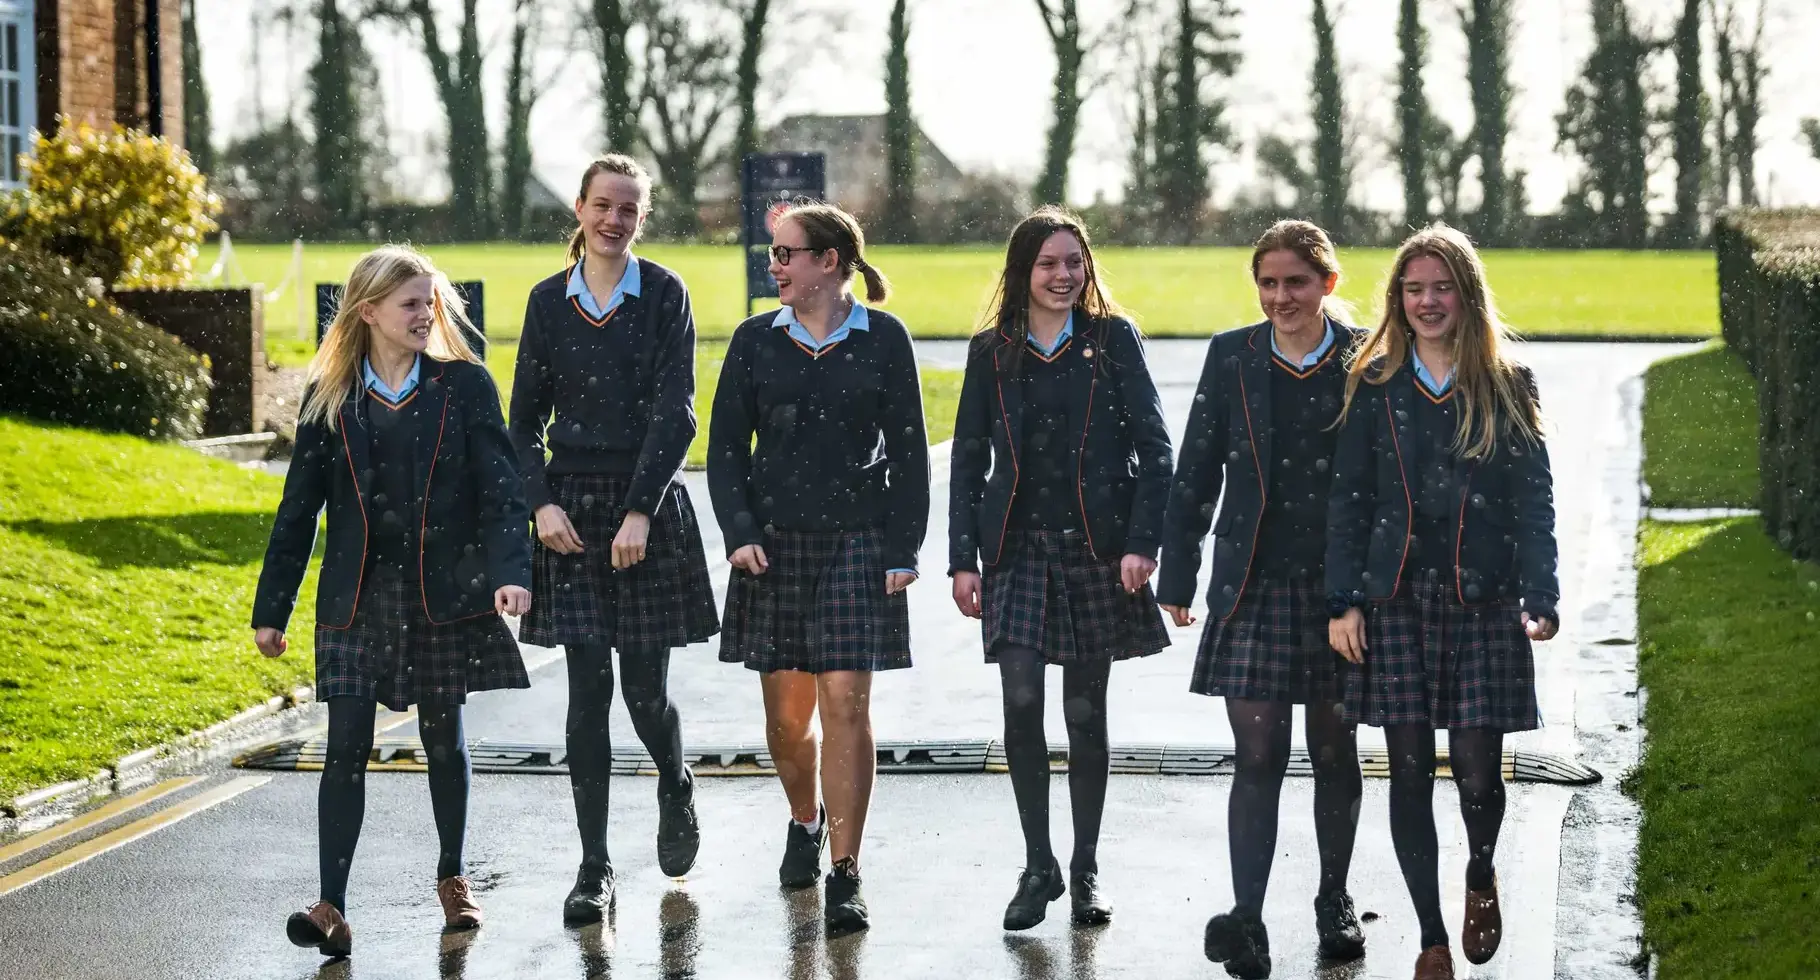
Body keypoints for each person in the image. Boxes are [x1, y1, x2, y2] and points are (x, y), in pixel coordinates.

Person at [252, 245, 532, 957]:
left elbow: (502, 490)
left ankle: (453, 882)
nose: (425, 313)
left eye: (429, 300)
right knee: (344, 746)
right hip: (357, 596)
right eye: (410, 302)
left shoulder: (464, 386)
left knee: (445, 738)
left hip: (447, 592)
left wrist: (510, 570)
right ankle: (331, 908)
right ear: (368, 310)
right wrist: (272, 609)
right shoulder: (330, 396)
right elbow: (297, 511)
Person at [1326, 224, 1558, 980]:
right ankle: (1429, 936)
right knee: (1407, 769)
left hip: (1483, 600)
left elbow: (1534, 500)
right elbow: (1349, 500)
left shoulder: (1507, 381)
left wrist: (1540, 592)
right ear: (1398, 298)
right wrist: (1345, 601)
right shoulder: (1375, 380)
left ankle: (1481, 872)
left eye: (1441, 288)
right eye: (1413, 289)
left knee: (1478, 773)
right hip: (1394, 600)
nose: (1427, 302)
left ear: (1466, 294)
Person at [707, 202, 930, 936]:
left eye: (785, 255)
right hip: (773, 548)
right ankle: (804, 819)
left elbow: (910, 452)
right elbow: (727, 451)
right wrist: (738, 532)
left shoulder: (884, 341)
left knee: (848, 706)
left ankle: (845, 870)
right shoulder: (753, 342)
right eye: (773, 255)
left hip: (857, 545)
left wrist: (904, 547)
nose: (774, 266)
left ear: (829, 262)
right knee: (785, 719)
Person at [948, 206, 1174, 931]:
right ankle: (1037, 864)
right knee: (1020, 703)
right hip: (1014, 551)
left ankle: (1086, 869)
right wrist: (961, 559)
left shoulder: (1112, 341)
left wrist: (1144, 542)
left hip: (1094, 551)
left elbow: (1156, 449)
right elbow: (967, 457)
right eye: (1048, 263)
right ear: (1022, 271)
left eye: (1074, 262)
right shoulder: (992, 350)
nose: (1063, 275)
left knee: (1085, 713)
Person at [509, 155, 720, 923]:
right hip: (569, 511)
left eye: (629, 210)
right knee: (586, 690)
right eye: (603, 206)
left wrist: (638, 509)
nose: (614, 220)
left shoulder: (665, 294)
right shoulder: (546, 301)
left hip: (644, 509)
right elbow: (522, 419)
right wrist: (539, 505)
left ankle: (675, 779)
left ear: (642, 216)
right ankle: (593, 868)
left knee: (643, 692)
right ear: (580, 208)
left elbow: (678, 413)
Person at [1157, 220, 1368, 977]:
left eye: (1297, 283)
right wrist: (1175, 577)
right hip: (1251, 585)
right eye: (1269, 283)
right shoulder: (1232, 356)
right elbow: (1197, 471)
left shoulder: (1367, 358)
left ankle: (1334, 900)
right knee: (1258, 756)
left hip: (1342, 590)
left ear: (1327, 285)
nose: (1281, 297)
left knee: (1336, 751)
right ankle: (1247, 918)